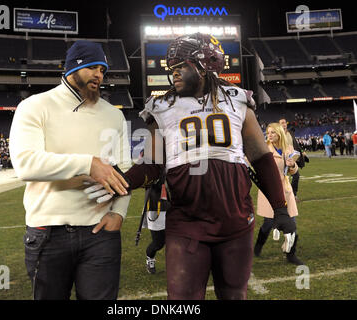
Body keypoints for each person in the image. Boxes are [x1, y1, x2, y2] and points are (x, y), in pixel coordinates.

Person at [86, 33, 296, 300]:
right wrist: (122, 182)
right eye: (171, 69)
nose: (172, 74)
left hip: (236, 222)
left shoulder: (237, 99)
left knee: (234, 295)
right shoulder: (161, 107)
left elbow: (260, 157)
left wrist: (279, 207)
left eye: (179, 67)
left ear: (205, 64)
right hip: (186, 223)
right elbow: (152, 164)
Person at [9, 40, 132, 300]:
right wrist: (88, 164)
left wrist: (119, 213)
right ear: (73, 68)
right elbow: (25, 164)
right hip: (47, 233)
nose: (99, 75)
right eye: (93, 67)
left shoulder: (113, 115)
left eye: (103, 70)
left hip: (101, 233)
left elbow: (125, 171)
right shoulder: (35, 106)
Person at [253, 123, 304, 265]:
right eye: (268, 133)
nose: (269, 135)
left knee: (292, 223)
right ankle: (258, 246)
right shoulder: (264, 149)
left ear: (279, 134)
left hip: (285, 189)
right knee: (268, 223)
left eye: (272, 133)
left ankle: (291, 254)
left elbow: (293, 171)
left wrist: (292, 165)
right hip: (269, 191)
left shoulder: (288, 149)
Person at [142, 179, 168, 274]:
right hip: (156, 206)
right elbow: (143, 180)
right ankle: (150, 258)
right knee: (158, 242)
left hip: (175, 206)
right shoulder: (152, 165)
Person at [278, 118, 305, 201]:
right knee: (282, 179)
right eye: (282, 123)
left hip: (292, 159)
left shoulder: (290, 133)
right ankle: (281, 197)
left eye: (285, 122)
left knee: (296, 176)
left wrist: (301, 152)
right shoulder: (278, 135)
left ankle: (293, 195)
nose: (284, 124)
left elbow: (295, 144)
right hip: (282, 159)